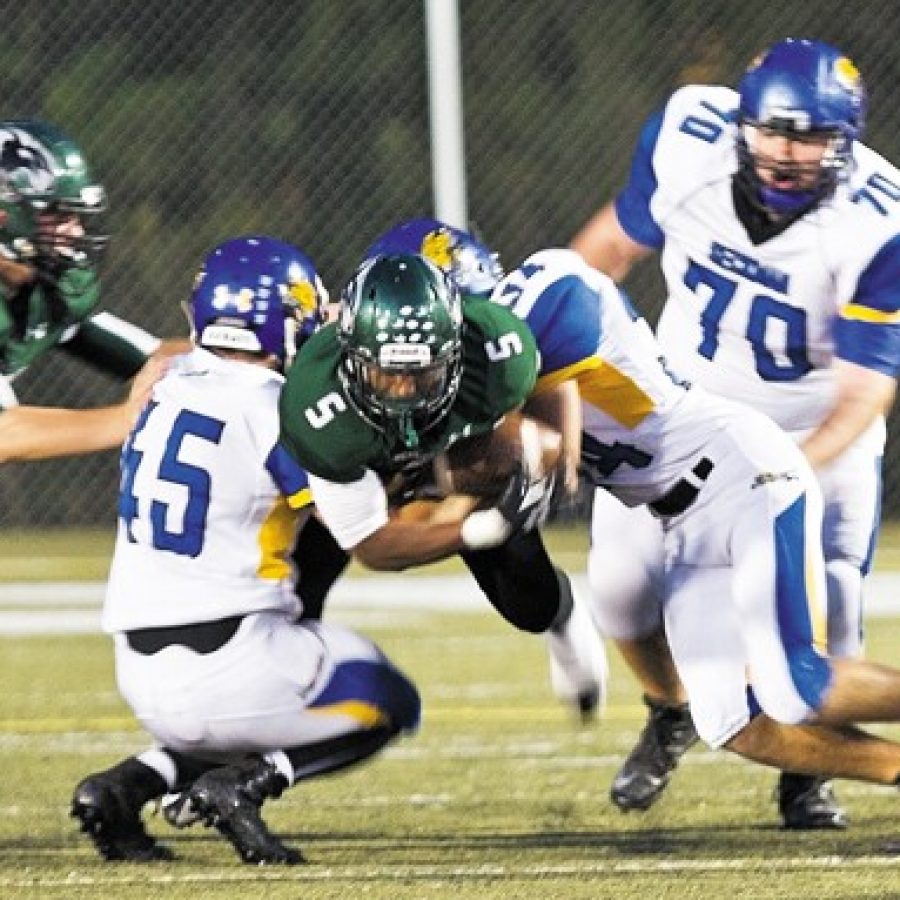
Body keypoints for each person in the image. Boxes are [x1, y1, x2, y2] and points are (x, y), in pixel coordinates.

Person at [569, 37, 899, 828]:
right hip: (676, 412)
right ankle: (667, 706)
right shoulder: (688, 140)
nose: (787, 154)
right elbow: (602, 257)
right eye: (774, 132)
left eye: (811, 138)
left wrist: (770, 472)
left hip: (812, 434)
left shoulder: (876, 224)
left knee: (825, 631)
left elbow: (862, 395)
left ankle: (810, 774)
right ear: (742, 125)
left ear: (843, 145)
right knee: (618, 592)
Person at [491, 245, 900, 811]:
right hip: (682, 521)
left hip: (742, 476)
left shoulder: (549, 292)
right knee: (733, 722)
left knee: (792, 684)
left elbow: (557, 451)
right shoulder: (481, 374)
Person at [70, 236, 421, 865]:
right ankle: (250, 783)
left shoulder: (163, 388)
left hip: (137, 668)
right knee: (388, 699)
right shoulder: (275, 409)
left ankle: (126, 786)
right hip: (234, 660)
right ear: (286, 322)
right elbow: (359, 526)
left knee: (236, 710)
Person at [277, 247, 608, 717]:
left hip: (461, 448)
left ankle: (562, 616)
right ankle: (273, 699)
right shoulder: (316, 404)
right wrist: (478, 529)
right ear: (351, 355)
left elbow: (550, 384)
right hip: (368, 467)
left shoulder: (498, 348)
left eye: (423, 374)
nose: (406, 392)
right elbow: (370, 544)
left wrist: (551, 459)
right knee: (298, 586)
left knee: (530, 604)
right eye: (387, 375)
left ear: (455, 351)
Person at [360, 218, 605, 711]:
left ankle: (560, 616)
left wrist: (465, 491)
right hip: (374, 453)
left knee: (526, 603)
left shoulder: (512, 345)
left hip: (470, 457)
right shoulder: (338, 358)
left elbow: (560, 463)